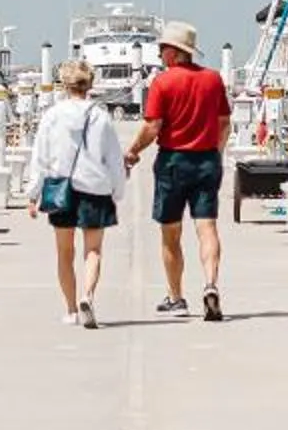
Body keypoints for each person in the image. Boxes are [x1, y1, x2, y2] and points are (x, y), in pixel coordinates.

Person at [127, 22, 230, 321]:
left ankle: (176, 297)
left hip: (173, 162)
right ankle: (211, 284)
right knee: (207, 227)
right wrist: (217, 154)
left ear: (173, 52)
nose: (159, 54)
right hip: (207, 161)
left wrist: (133, 150)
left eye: (162, 49)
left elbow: (152, 126)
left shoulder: (163, 82)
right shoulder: (213, 80)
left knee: (171, 233)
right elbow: (224, 123)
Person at [26, 57, 127, 329]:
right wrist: (117, 191)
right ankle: (88, 295)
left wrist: (33, 194)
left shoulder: (52, 116)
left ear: (64, 84)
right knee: (93, 250)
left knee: (64, 252)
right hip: (95, 189)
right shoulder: (101, 116)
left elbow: (41, 158)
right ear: (89, 84)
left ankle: (70, 309)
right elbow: (114, 159)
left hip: (61, 189)